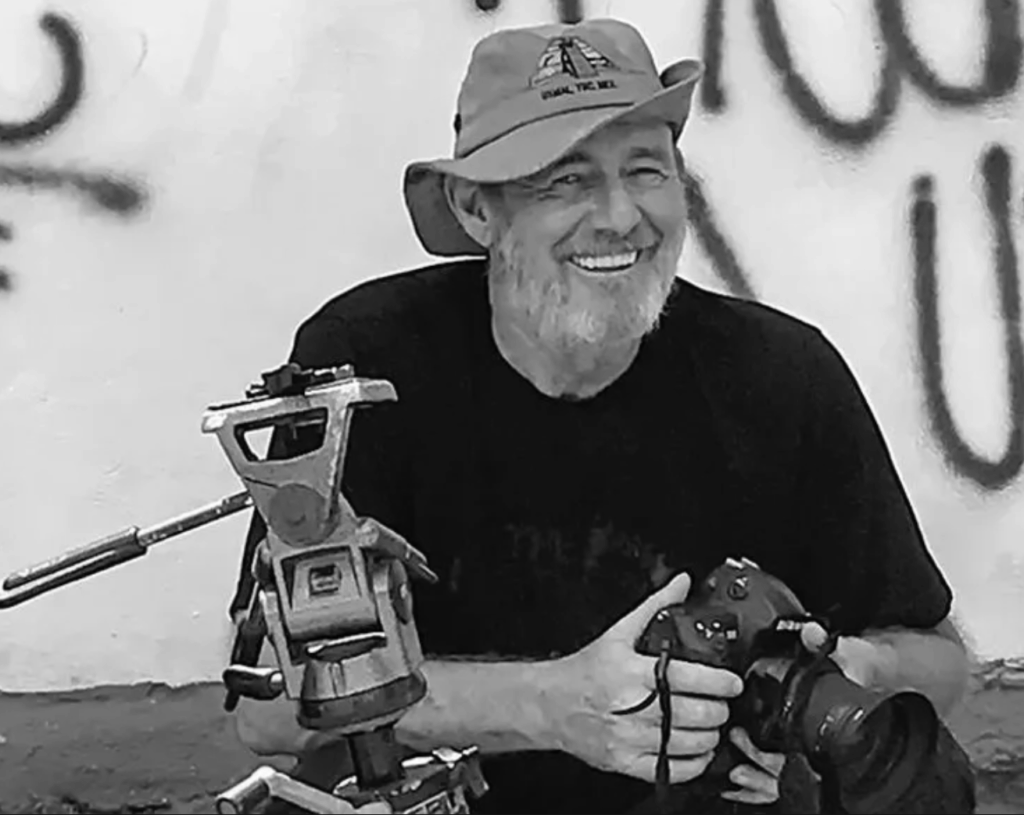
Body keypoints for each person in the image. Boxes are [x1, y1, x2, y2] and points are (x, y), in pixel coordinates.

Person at [228, 18, 972, 815]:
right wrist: (552, 705)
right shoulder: (364, 368)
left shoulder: (782, 376)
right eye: (566, 180)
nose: (620, 216)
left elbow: (941, 658)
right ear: (476, 208)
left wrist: (842, 674)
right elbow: (267, 709)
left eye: (646, 170)